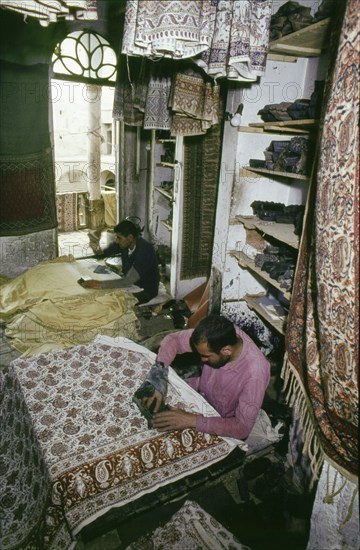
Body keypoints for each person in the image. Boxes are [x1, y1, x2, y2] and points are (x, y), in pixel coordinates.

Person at [144, 315, 271, 440]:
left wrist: (190, 420)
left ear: (226, 351)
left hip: (221, 419)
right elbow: (173, 340)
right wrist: (159, 374)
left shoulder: (255, 374)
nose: (202, 360)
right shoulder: (221, 334)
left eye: (206, 356)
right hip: (201, 390)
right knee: (151, 390)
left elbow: (242, 429)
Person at [81, 219, 160, 304]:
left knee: (111, 303)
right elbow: (104, 253)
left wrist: (100, 284)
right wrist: (95, 245)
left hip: (145, 290)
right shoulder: (124, 243)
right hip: (131, 285)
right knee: (98, 296)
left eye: (119, 238)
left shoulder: (145, 250)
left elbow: (129, 280)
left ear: (130, 238)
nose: (117, 241)